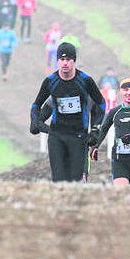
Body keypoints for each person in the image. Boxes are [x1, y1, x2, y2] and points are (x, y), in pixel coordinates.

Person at [30, 42, 105, 182]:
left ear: (74, 61)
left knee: (74, 179)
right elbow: (36, 104)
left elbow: (100, 104)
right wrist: (34, 120)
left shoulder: (85, 80)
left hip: (78, 136)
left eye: (69, 60)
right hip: (56, 136)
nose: (65, 63)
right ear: (57, 60)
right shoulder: (50, 81)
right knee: (58, 179)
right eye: (62, 59)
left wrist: (95, 130)